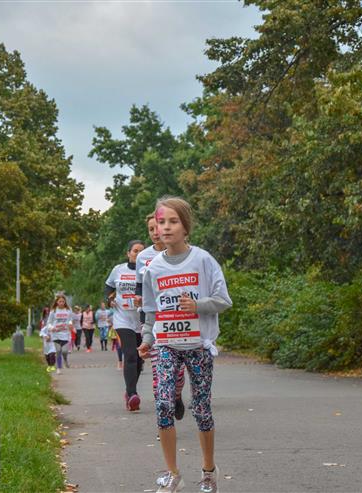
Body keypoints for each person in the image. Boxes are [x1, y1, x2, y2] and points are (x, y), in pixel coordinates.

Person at [138, 197, 232, 493]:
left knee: (201, 408)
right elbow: (150, 311)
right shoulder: (153, 268)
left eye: (173, 221)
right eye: (161, 222)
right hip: (166, 345)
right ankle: (173, 474)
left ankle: (209, 471)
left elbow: (223, 300)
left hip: (198, 345)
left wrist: (198, 305)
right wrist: (147, 339)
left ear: (186, 227)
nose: (165, 228)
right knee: (164, 404)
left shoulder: (203, 260)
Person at [136, 212, 186, 422]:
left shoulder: (185, 254)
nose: (156, 232)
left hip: (182, 323)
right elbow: (142, 289)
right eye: (151, 229)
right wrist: (147, 336)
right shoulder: (144, 258)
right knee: (159, 376)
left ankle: (176, 395)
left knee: (178, 375)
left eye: (158, 227)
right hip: (155, 321)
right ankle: (164, 423)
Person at [105, 240, 145, 411]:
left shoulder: (148, 270)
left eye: (142, 251)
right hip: (122, 318)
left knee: (139, 360)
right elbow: (108, 287)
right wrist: (110, 299)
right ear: (128, 253)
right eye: (135, 251)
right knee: (130, 355)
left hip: (142, 319)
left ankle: (129, 392)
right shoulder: (118, 270)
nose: (138, 254)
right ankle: (132, 393)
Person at [46, 294, 74, 375]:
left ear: (65, 302)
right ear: (57, 302)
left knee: (64, 351)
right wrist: (52, 328)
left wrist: (70, 324)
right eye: (60, 301)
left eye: (63, 301)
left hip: (65, 334)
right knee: (58, 351)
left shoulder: (68, 310)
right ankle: (58, 368)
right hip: (56, 334)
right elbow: (49, 323)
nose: (61, 303)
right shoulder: (53, 311)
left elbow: (70, 320)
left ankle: (65, 359)